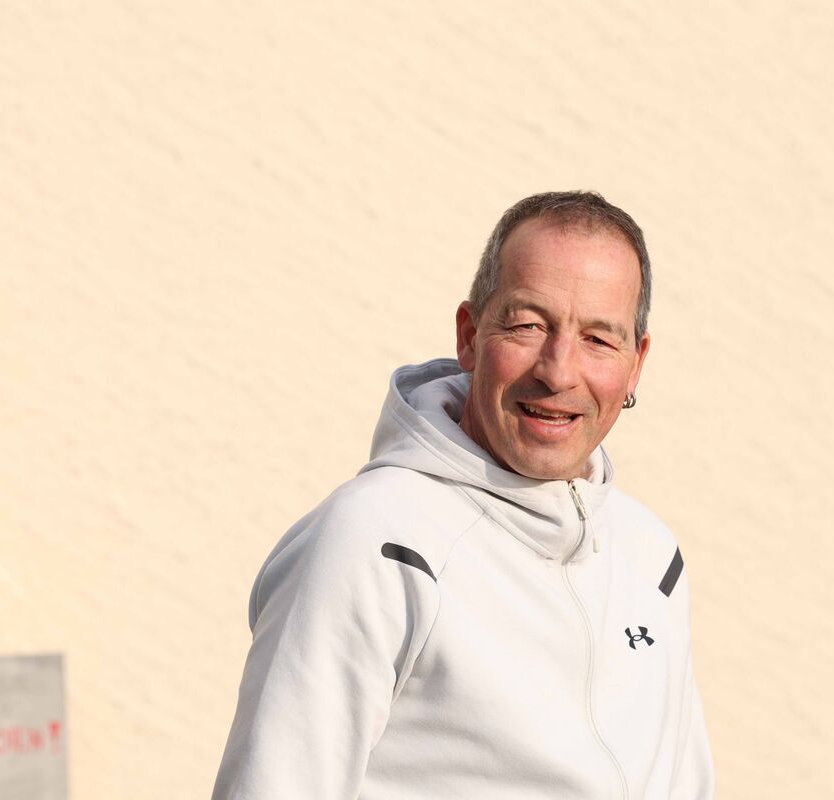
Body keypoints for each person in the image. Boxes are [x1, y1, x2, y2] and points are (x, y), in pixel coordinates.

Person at [212, 191, 715, 799]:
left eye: (598, 339)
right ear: (470, 336)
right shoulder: (375, 540)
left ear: (636, 364)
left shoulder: (651, 556)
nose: (558, 371)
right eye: (528, 325)